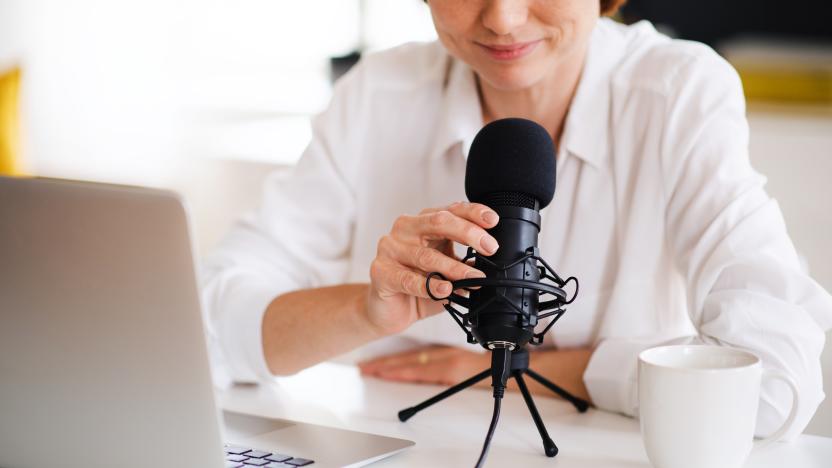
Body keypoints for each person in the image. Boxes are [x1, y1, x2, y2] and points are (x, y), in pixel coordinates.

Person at [201, 0, 832, 438]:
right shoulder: (378, 95)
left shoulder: (677, 94)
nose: (502, 19)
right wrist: (367, 310)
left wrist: (536, 368)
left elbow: (774, 381)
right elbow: (202, 327)